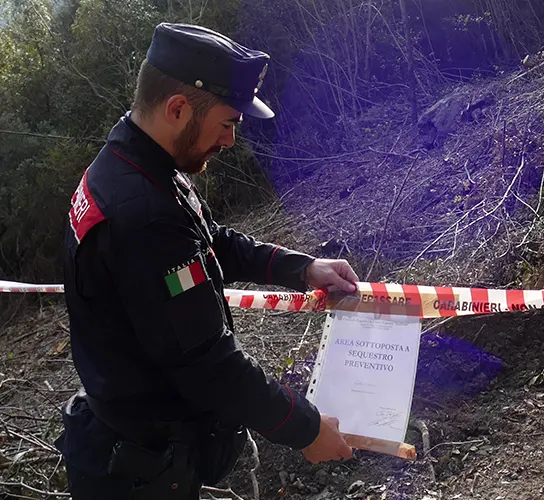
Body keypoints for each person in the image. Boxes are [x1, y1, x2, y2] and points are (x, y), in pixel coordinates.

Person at [56, 22, 354, 499]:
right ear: (177, 109)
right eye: (228, 123)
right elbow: (208, 363)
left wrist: (300, 268)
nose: (231, 140)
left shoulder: (137, 165)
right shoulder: (140, 212)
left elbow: (209, 241)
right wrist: (306, 428)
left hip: (135, 450)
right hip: (136, 474)